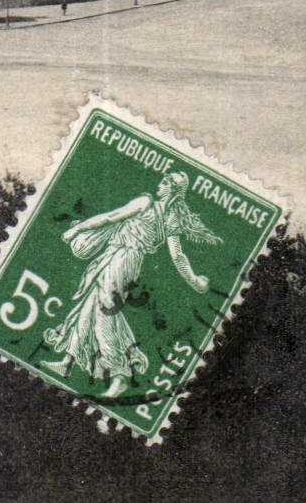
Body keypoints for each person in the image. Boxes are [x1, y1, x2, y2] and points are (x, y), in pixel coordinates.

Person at [40, 171, 221, 399]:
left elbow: (111, 217)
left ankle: (119, 375)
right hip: (119, 257)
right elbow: (177, 255)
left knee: (105, 313)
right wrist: (195, 281)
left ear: (174, 190)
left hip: (123, 260)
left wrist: (77, 229)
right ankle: (68, 361)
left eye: (167, 182)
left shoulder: (147, 203)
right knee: (87, 306)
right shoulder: (170, 217)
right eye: (163, 180)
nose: (161, 183)